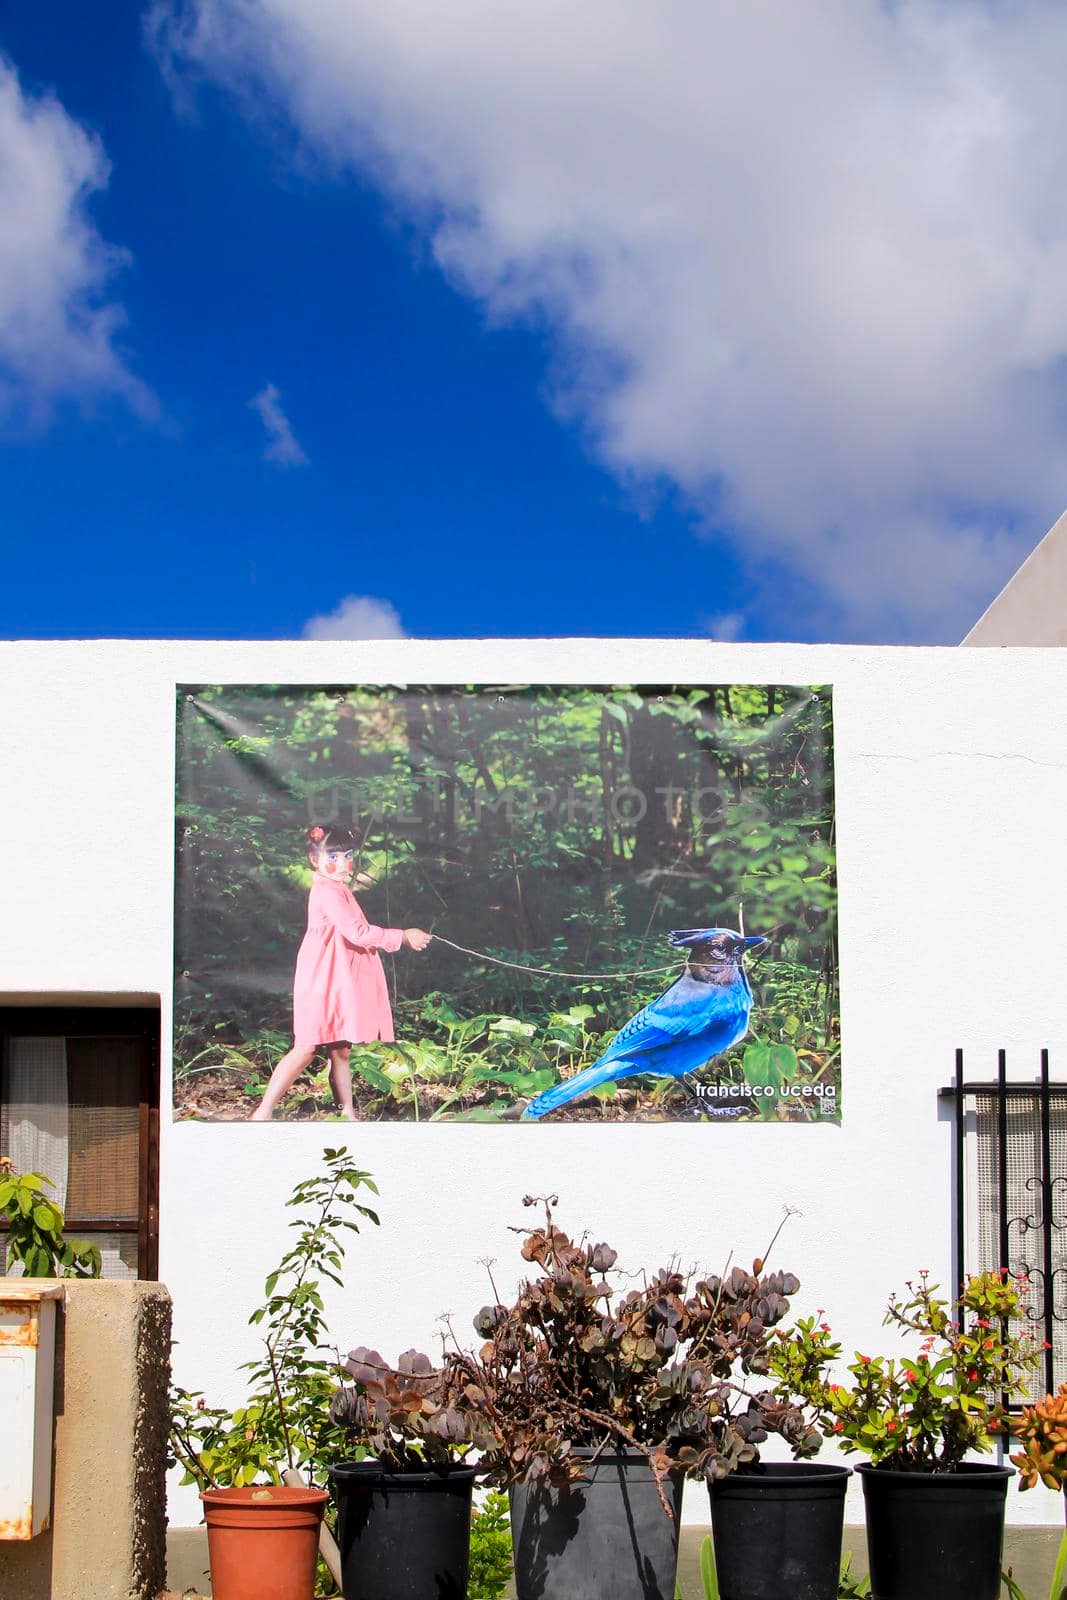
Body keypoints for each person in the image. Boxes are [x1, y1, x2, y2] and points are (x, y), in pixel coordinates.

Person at [250, 823, 432, 1121]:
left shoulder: (338, 888)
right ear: (314, 860)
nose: (342, 864)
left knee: (340, 1049)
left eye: (347, 856)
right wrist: (402, 936)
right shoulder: (327, 891)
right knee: (307, 1047)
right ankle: (262, 1112)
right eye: (332, 857)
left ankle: (347, 1113)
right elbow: (357, 932)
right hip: (321, 979)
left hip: (336, 978)